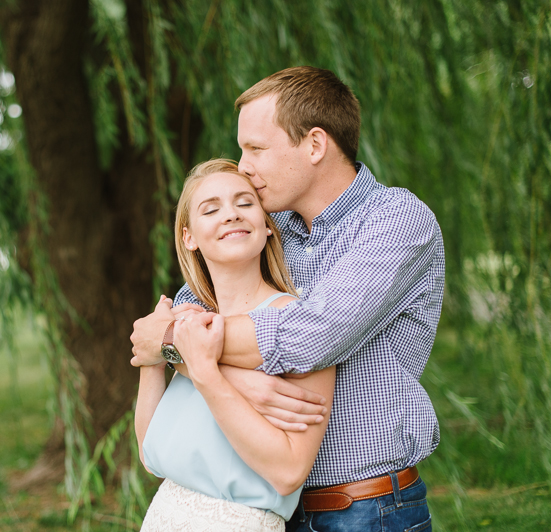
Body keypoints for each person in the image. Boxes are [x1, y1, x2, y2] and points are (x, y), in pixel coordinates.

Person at [131, 66, 443, 532]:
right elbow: (189, 311)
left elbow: (308, 337)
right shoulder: (273, 233)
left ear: (315, 145)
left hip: (364, 510)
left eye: (255, 148)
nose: (243, 166)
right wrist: (228, 374)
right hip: (267, 509)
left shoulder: (395, 222)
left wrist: (173, 341)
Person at [135, 159, 335, 531]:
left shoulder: (295, 326)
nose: (231, 215)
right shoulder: (185, 323)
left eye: (245, 203)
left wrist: (207, 373)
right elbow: (152, 454)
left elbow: (290, 471)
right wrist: (153, 355)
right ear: (188, 237)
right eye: (211, 209)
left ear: (268, 226)